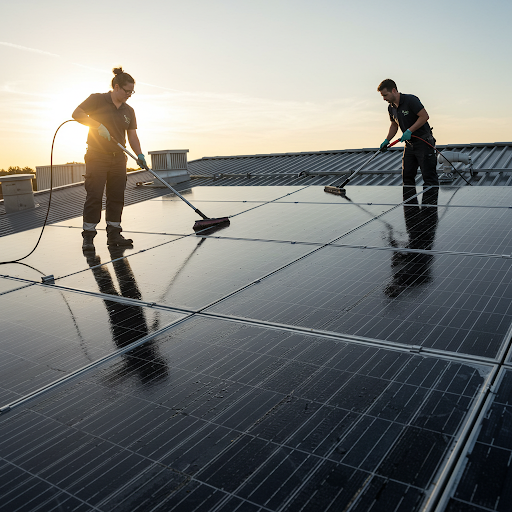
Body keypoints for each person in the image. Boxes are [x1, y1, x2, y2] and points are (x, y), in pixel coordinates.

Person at [72, 67, 147, 250]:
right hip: (97, 156)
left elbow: (132, 136)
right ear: (116, 86)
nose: (129, 94)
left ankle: (114, 234)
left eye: (132, 91)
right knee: (94, 196)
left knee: (116, 196)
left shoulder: (129, 111)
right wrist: (96, 124)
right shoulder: (97, 99)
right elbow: (76, 114)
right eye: (126, 90)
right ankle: (88, 237)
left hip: (118, 159)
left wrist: (139, 154)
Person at [378, 79, 439, 187]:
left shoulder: (410, 100)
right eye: (382, 96)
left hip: (424, 142)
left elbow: (424, 116)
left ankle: (430, 204)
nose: (384, 99)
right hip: (409, 145)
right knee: (407, 178)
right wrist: (387, 140)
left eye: (385, 95)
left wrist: (409, 130)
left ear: (393, 90)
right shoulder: (391, 108)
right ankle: (410, 204)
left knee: (429, 179)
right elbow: (394, 125)